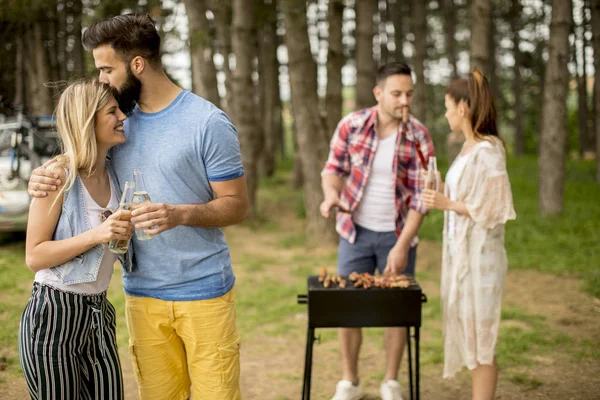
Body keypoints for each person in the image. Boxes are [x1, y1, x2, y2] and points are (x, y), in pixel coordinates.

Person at [27, 14, 248, 400]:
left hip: (205, 291)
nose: (101, 80)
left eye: (106, 69)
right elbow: (78, 161)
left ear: (137, 65)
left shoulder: (207, 122)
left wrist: (181, 213)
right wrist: (40, 178)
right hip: (141, 295)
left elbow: (237, 205)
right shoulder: (115, 125)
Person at [319, 62, 435, 400]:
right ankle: (350, 382)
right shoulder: (352, 124)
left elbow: (420, 199)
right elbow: (333, 169)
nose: (405, 101)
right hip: (355, 233)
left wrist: (401, 245)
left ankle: (391, 382)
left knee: (395, 311)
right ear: (379, 93)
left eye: (409, 94)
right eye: (397, 94)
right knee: (347, 307)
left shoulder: (419, 136)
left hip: (398, 236)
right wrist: (332, 195)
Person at [18, 80, 133, 400]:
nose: (123, 116)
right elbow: (34, 256)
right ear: (87, 119)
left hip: (98, 314)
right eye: (112, 111)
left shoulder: (115, 175)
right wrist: (98, 234)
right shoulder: (57, 177)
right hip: (53, 317)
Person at [422, 69, 516, 400]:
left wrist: (447, 203)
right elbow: (468, 195)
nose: (446, 114)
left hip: (482, 258)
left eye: (448, 107)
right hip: (462, 255)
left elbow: (491, 208)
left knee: (481, 338)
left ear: (463, 107)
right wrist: (439, 189)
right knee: (468, 330)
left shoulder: (489, 150)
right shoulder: (466, 149)